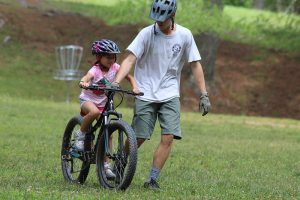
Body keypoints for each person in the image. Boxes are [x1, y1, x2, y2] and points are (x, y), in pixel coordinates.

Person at [112, 0, 211, 190]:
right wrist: (117, 81)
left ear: (172, 16)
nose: (158, 23)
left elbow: (195, 64)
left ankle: (152, 179)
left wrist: (204, 94)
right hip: (145, 92)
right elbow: (130, 59)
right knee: (138, 137)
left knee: (168, 137)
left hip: (170, 93)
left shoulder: (184, 35)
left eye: (162, 19)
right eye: (155, 19)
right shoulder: (146, 33)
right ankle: (120, 160)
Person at [74, 39, 139, 179]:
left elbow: (129, 77)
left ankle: (105, 166)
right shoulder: (95, 70)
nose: (112, 59)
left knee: (108, 132)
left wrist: (135, 87)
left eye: (114, 56)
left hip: (103, 102)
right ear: (99, 57)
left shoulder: (116, 67)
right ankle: (80, 135)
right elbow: (86, 77)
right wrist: (84, 82)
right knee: (94, 112)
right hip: (88, 100)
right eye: (108, 56)